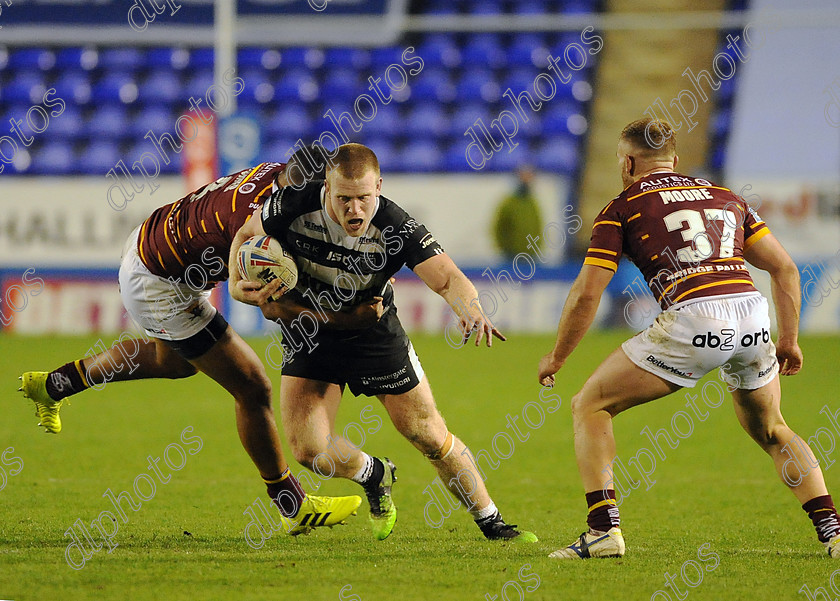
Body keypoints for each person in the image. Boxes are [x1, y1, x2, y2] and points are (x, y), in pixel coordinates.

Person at [537, 118, 840, 559]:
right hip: (752, 314)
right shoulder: (727, 197)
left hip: (696, 315)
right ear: (675, 160)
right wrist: (789, 339)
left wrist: (557, 356)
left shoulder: (621, 207)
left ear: (627, 163)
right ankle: (833, 532)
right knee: (773, 429)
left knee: (591, 404)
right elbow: (785, 268)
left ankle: (603, 531)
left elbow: (588, 291)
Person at [18, 148, 362, 535]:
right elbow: (267, 302)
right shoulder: (256, 225)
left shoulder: (278, 176)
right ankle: (293, 506)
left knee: (176, 363)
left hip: (158, 246)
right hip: (159, 282)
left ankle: (51, 385)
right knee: (251, 385)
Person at [229, 142, 538, 543]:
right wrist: (237, 286)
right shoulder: (291, 203)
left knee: (427, 433)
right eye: (343, 199)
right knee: (308, 451)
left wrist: (472, 309)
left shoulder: (396, 226)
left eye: (363, 198)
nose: (354, 209)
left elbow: (445, 277)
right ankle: (375, 474)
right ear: (326, 187)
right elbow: (246, 234)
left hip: (372, 332)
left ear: (379, 186)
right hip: (310, 330)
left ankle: (493, 522)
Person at [492, 165, 544, 260]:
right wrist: (505, 248)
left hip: (531, 256)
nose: (526, 179)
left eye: (529, 176)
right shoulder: (509, 203)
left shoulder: (532, 203)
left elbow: (538, 227)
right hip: (511, 257)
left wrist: (537, 247)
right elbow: (498, 228)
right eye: (523, 176)